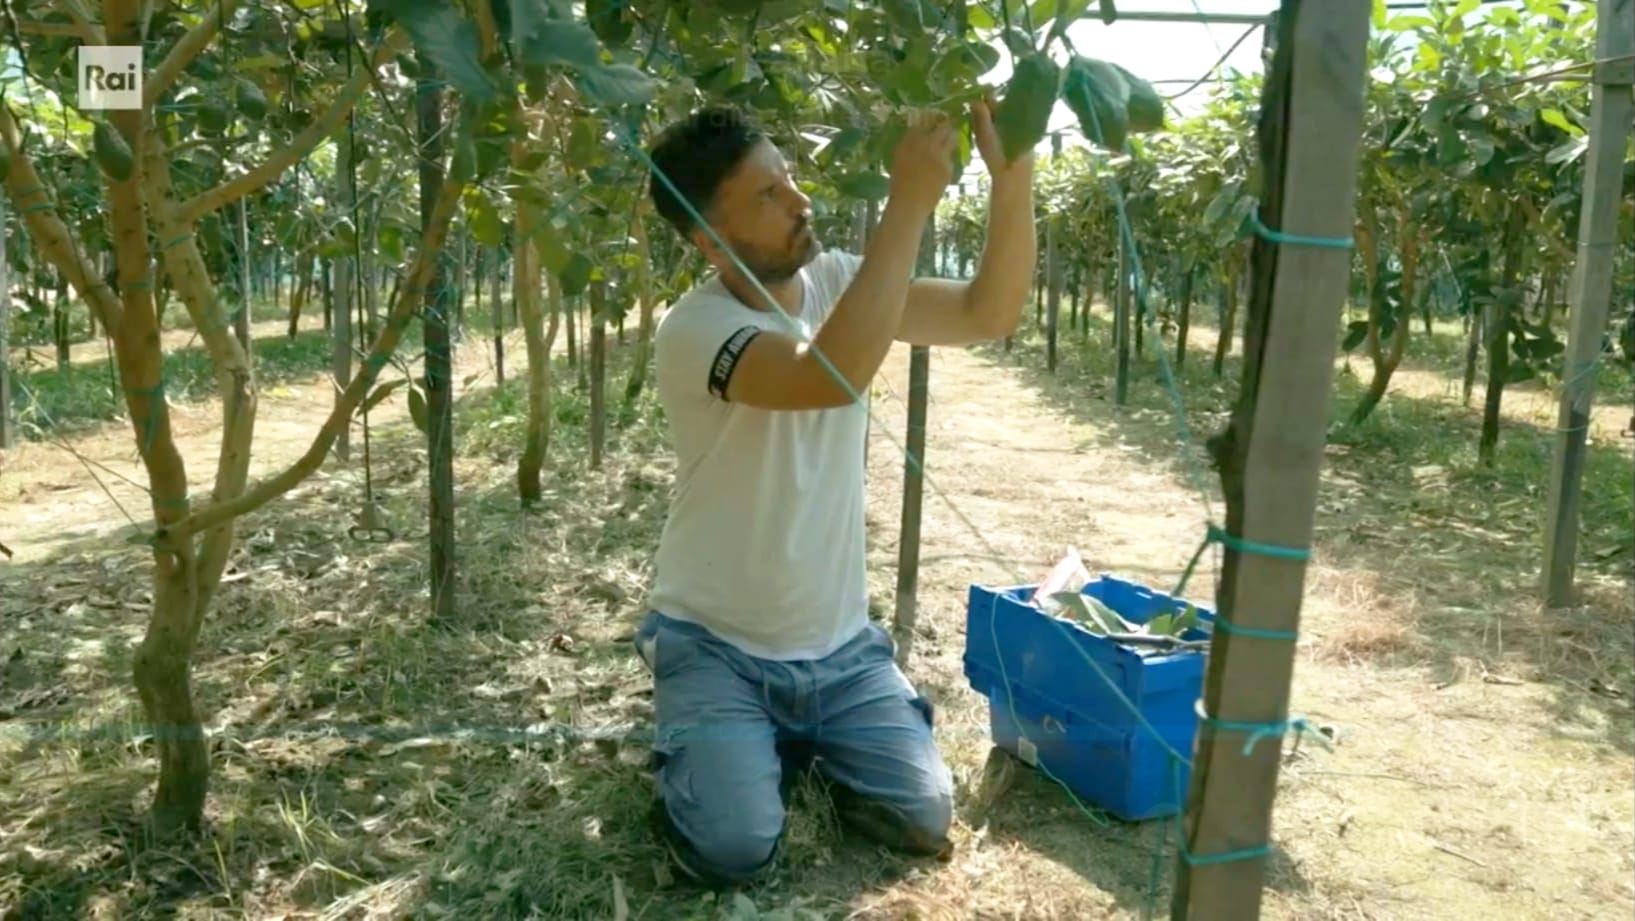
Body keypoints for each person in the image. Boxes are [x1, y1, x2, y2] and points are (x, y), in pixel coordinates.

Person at [634, 100, 1035, 888]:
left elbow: (987, 313)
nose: (798, 199)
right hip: (715, 642)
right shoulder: (695, 329)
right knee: (734, 848)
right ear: (709, 241)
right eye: (766, 195)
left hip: (840, 648)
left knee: (924, 816)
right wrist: (910, 200)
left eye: (787, 177)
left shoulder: (842, 283)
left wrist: (1012, 176)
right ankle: (720, 751)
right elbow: (825, 374)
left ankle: (767, 746)